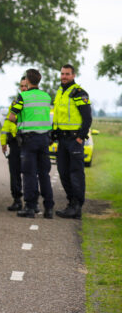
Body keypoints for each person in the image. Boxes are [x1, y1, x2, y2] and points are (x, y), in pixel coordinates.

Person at [8, 68, 54, 218]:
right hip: (44, 139)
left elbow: (11, 117)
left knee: (29, 174)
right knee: (44, 174)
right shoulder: (46, 97)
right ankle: (49, 208)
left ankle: (30, 207)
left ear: (27, 81)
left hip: (29, 140)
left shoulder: (22, 96)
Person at [52, 64, 92, 219]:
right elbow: (58, 117)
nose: (64, 77)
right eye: (62, 74)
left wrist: (80, 137)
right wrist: (53, 134)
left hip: (74, 140)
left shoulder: (79, 93)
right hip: (62, 140)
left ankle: (77, 206)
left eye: (67, 74)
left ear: (73, 75)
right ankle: (71, 203)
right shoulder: (60, 92)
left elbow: (87, 118)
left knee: (76, 174)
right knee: (63, 172)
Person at [0, 76, 29, 211]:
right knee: (14, 172)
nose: (23, 88)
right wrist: (3, 141)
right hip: (14, 142)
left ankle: (31, 202)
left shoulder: (32, 102)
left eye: (26, 86)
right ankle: (17, 200)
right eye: (22, 86)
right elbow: (7, 121)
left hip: (28, 141)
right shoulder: (16, 102)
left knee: (30, 172)